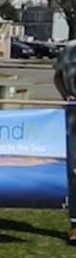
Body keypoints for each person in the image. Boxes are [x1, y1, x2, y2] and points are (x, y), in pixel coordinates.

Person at [52, 39, 76, 245]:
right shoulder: (69, 49)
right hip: (73, 120)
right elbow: (58, 76)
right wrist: (65, 95)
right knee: (75, 172)